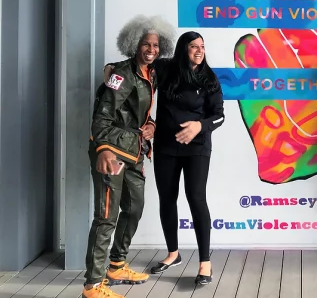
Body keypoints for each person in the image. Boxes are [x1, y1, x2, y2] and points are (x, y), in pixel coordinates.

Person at [104, 31, 224, 285]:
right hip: (167, 147)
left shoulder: (210, 78)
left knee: (196, 199)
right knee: (167, 199)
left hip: (197, 148)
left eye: (202, 46)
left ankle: (205, 263)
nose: (199, 51)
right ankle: (173, 253)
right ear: (183, 49)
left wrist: (200, 126)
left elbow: (219, 115)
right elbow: (135, 67)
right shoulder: (165, 68)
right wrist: (110, 69)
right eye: (194, 46)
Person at [84, 15, 176, 298]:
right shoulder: (121, 74)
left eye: (156, 45)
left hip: (135, 151)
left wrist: (152, 126)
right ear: (133, 44)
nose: (151, 49)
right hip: (112, 152)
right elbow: (101, 117)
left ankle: (116, 264)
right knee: (105, 218)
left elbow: (142, 113)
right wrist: (103, 150)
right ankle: (93, 285)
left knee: (134, 208)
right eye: (146, 44)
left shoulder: (152, 73)